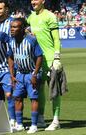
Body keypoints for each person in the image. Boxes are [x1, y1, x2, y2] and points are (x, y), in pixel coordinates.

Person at [27, 0, 62, 130]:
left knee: (54, 89)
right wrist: (27, 31)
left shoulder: (50, 16)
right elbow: (25, 28)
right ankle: (40, 118)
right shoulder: (31, 17)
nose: (33, 2)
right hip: (37, 60)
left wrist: (57, 57)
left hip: (50, 58)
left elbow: (57, 39)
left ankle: (56, 120)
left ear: (43, 1)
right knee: (39, 88)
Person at [9, 18, 43, 133]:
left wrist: (35, 73)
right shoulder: (11, 41)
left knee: (33, 98)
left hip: (31, 73)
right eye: (11, 27)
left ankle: (34, 125)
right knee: (17, 97)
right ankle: (19, 124)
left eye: (15, 27)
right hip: (19, 74)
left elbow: (39, 56)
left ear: (23, 29)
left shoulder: (31, 40)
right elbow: (10, 57)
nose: (12, 29)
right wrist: (11, 74)